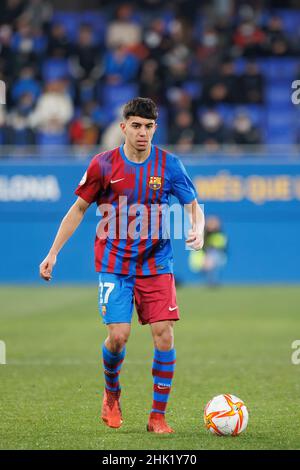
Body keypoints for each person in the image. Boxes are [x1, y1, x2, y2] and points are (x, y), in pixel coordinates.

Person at [39, 97, 204, 434]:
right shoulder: (103, 164)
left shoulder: (170, 165)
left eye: (148, 127)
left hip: (157, 264)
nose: (142, 133)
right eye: (136, 126)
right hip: (115, 264)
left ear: (155, 128)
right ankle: (112, 392)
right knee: (118, 336)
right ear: (123, 127)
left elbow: (193, 204)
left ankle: (157, 417)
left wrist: (197, 228)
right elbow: (78, 210)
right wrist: (53, 252)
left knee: (164, 336)